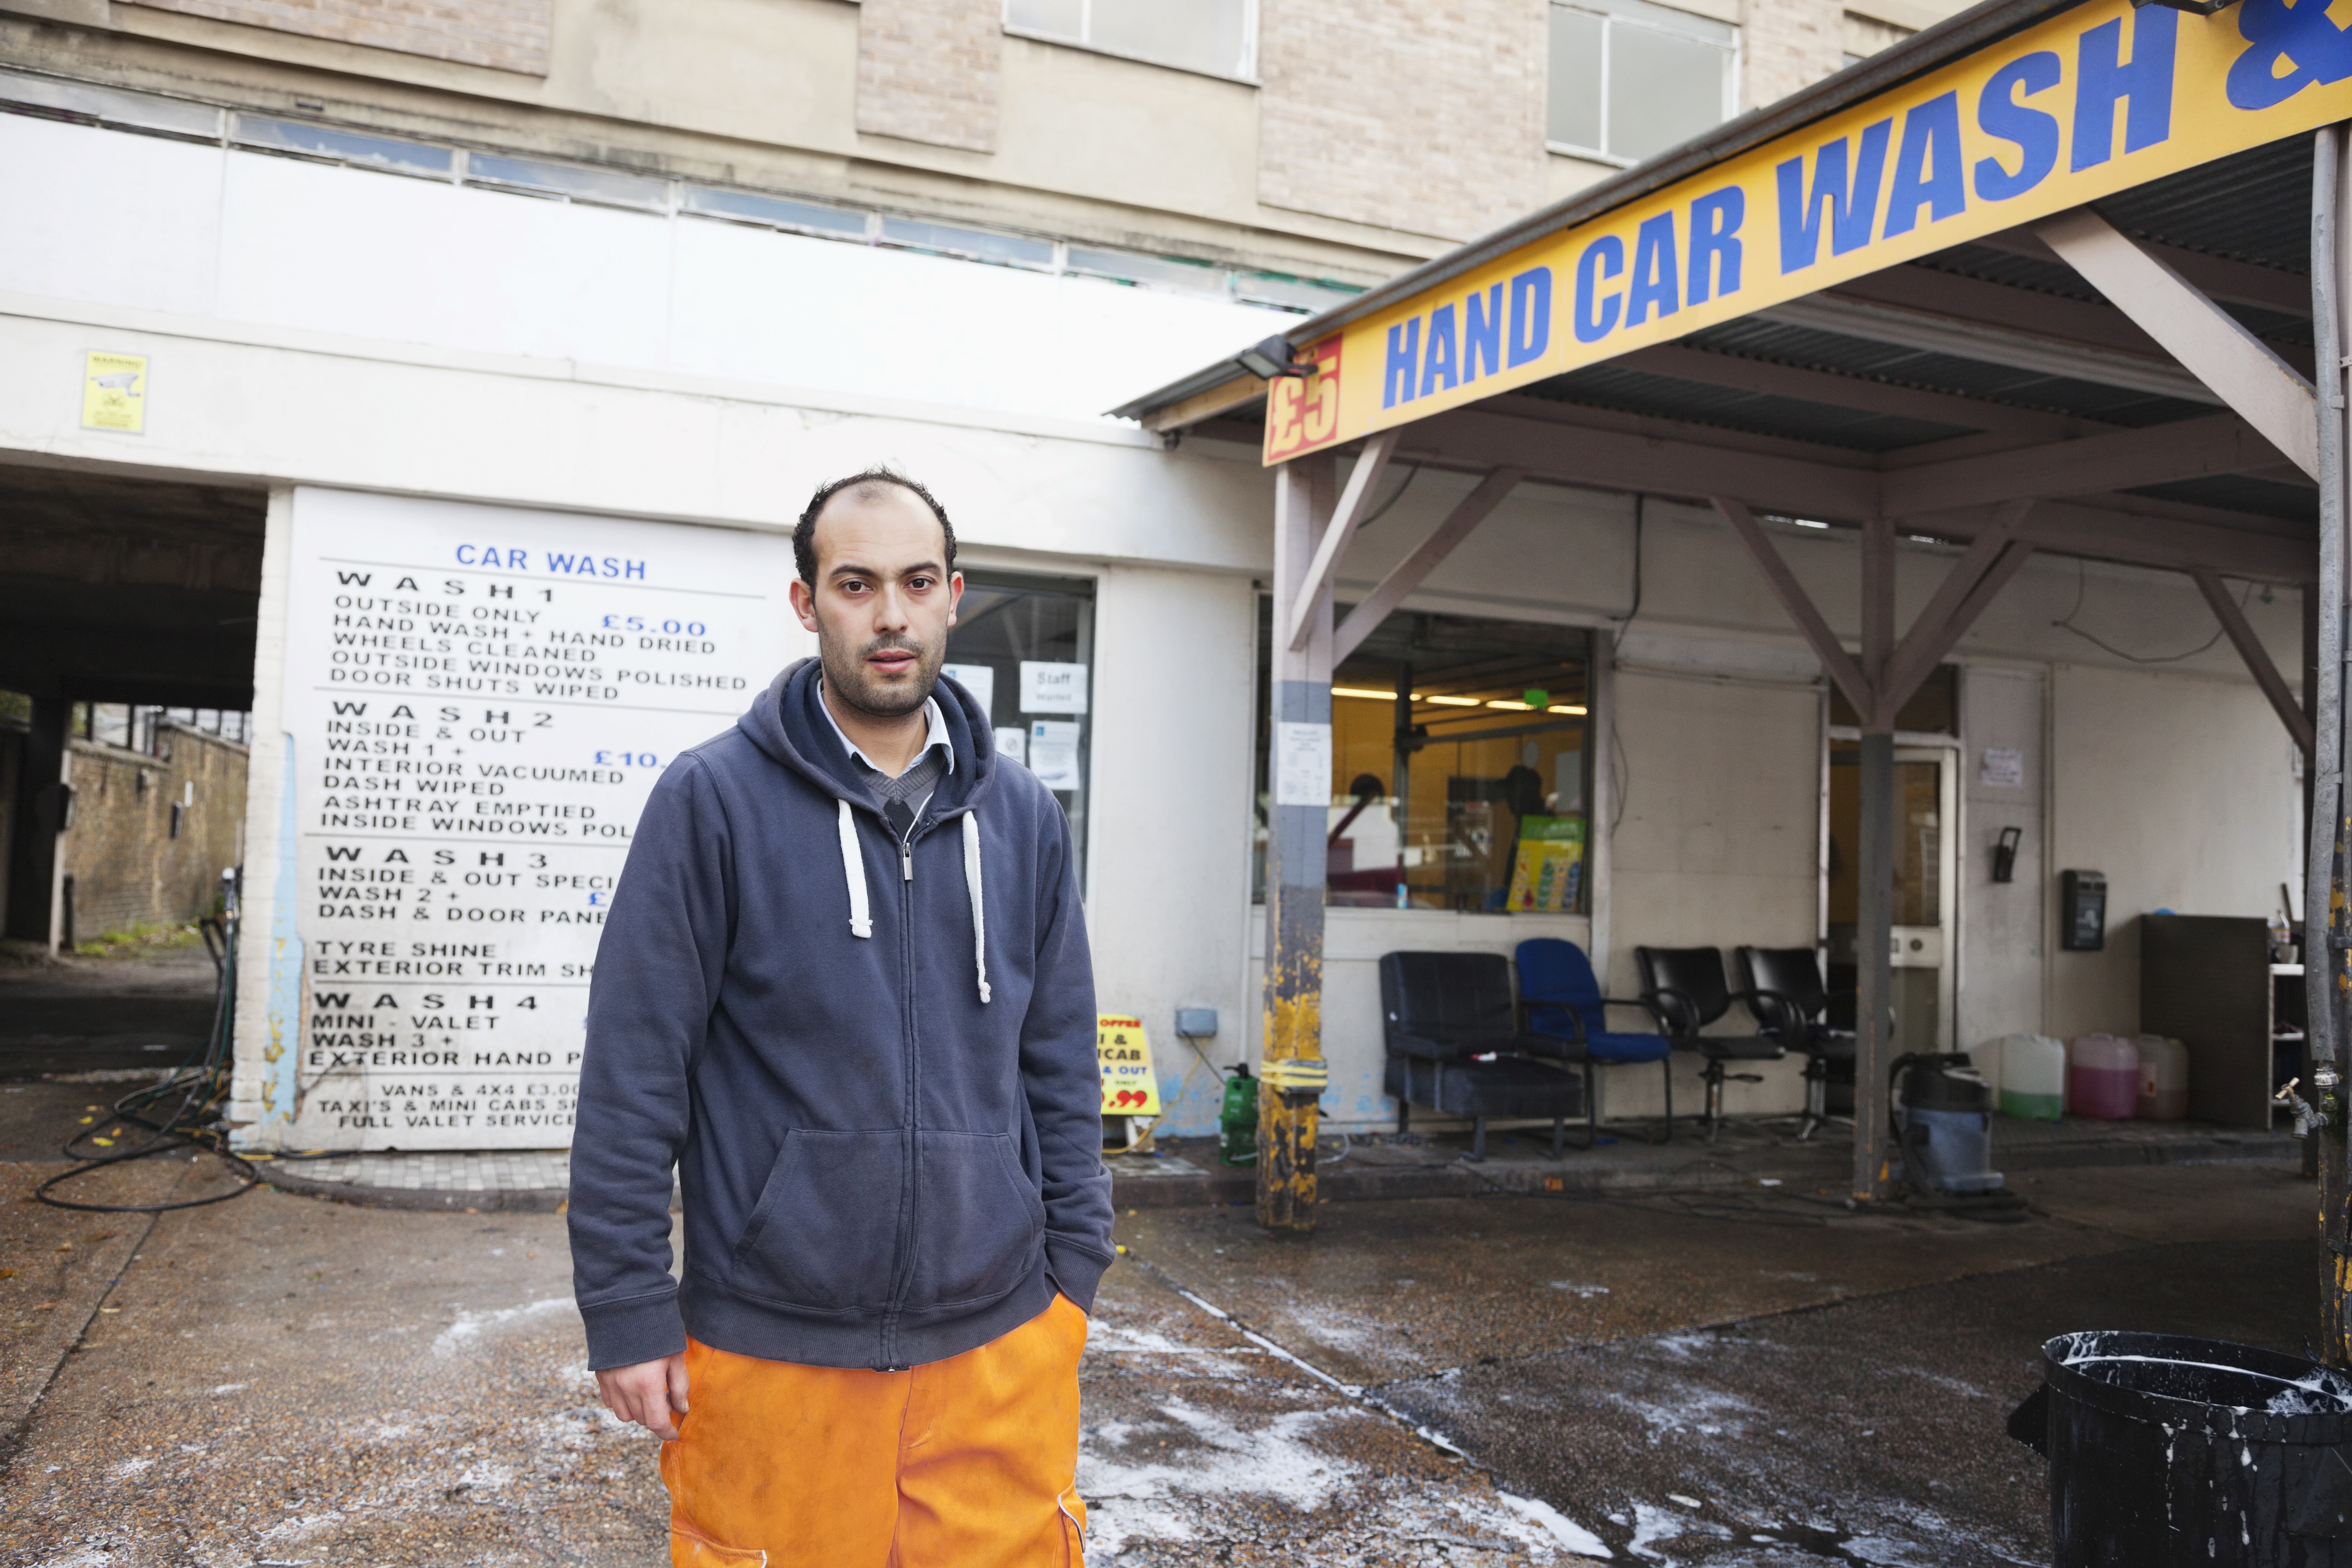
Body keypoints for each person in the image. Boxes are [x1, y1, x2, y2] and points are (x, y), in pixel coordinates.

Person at [567, 469, 1114, 1568]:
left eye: (918, 582)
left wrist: (1076, 1270)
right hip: (773, 1343)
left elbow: (1058, 1058)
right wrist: (627, 1308)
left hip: (1001, 1339)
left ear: (956, 594)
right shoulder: (710, 800)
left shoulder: (1023, 820)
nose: (892, 615)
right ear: (807, 603)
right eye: (856, 584)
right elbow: (637, 1071)